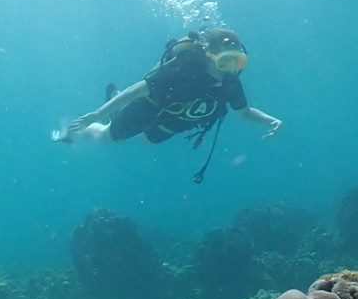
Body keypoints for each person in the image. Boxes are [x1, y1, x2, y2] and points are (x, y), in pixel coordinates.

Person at [52, 28, 282, 183]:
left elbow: (244, 112)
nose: (231, 67)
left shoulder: (230, 82)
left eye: (237, 61)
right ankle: (82, 130)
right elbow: (139, 89)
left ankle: (114, 113)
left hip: (173, 123)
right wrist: (97, 114)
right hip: (147, 109)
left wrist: (271, 121)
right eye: (226, 60)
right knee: (107, 139)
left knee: (145, 141)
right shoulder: (182, 71)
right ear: (210, 56)